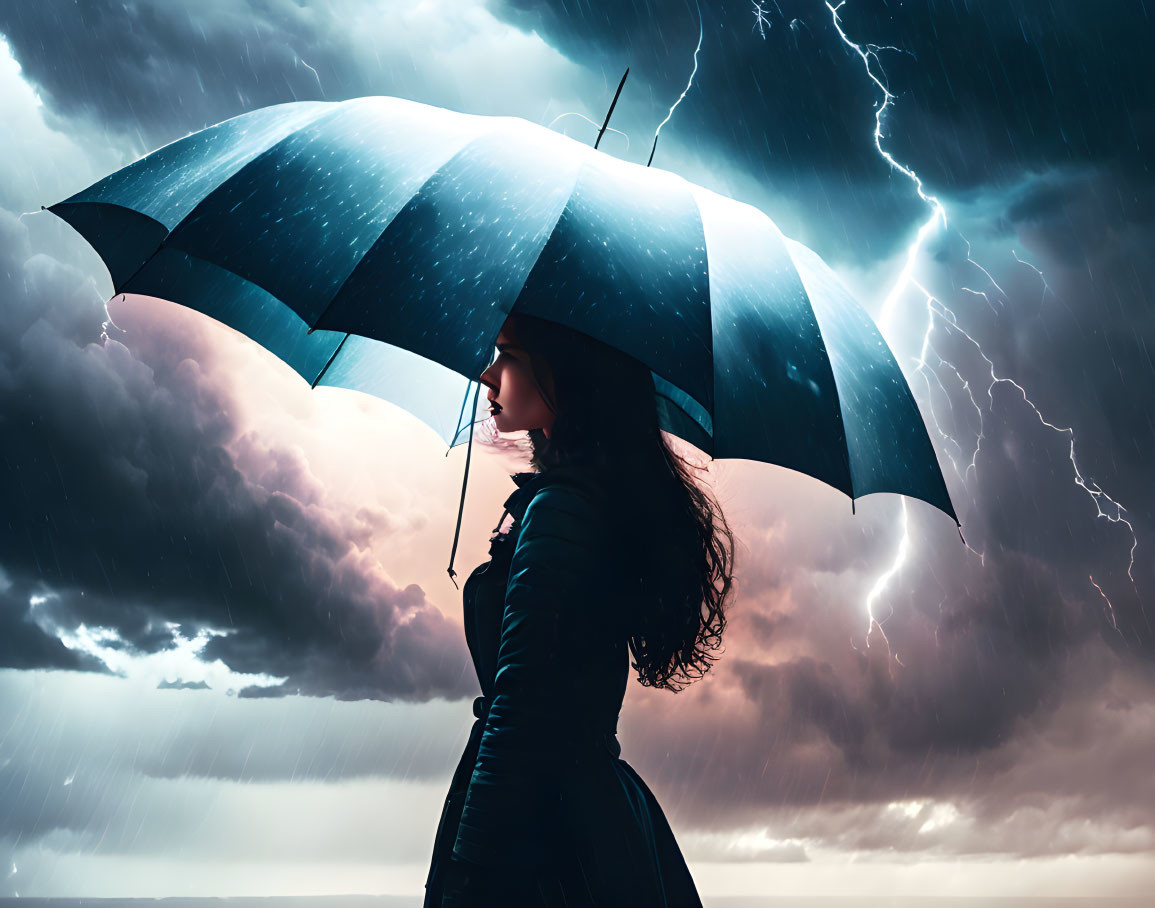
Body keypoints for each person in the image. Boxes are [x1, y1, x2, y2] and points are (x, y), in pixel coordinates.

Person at [424, 314, 736, 907]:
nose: (488, 374)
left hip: (540, 828)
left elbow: (519, 708)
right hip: (575, 812)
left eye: (508, 355)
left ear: (562, 371)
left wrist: (468, 869)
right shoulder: (579, 497)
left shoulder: (563, 510)